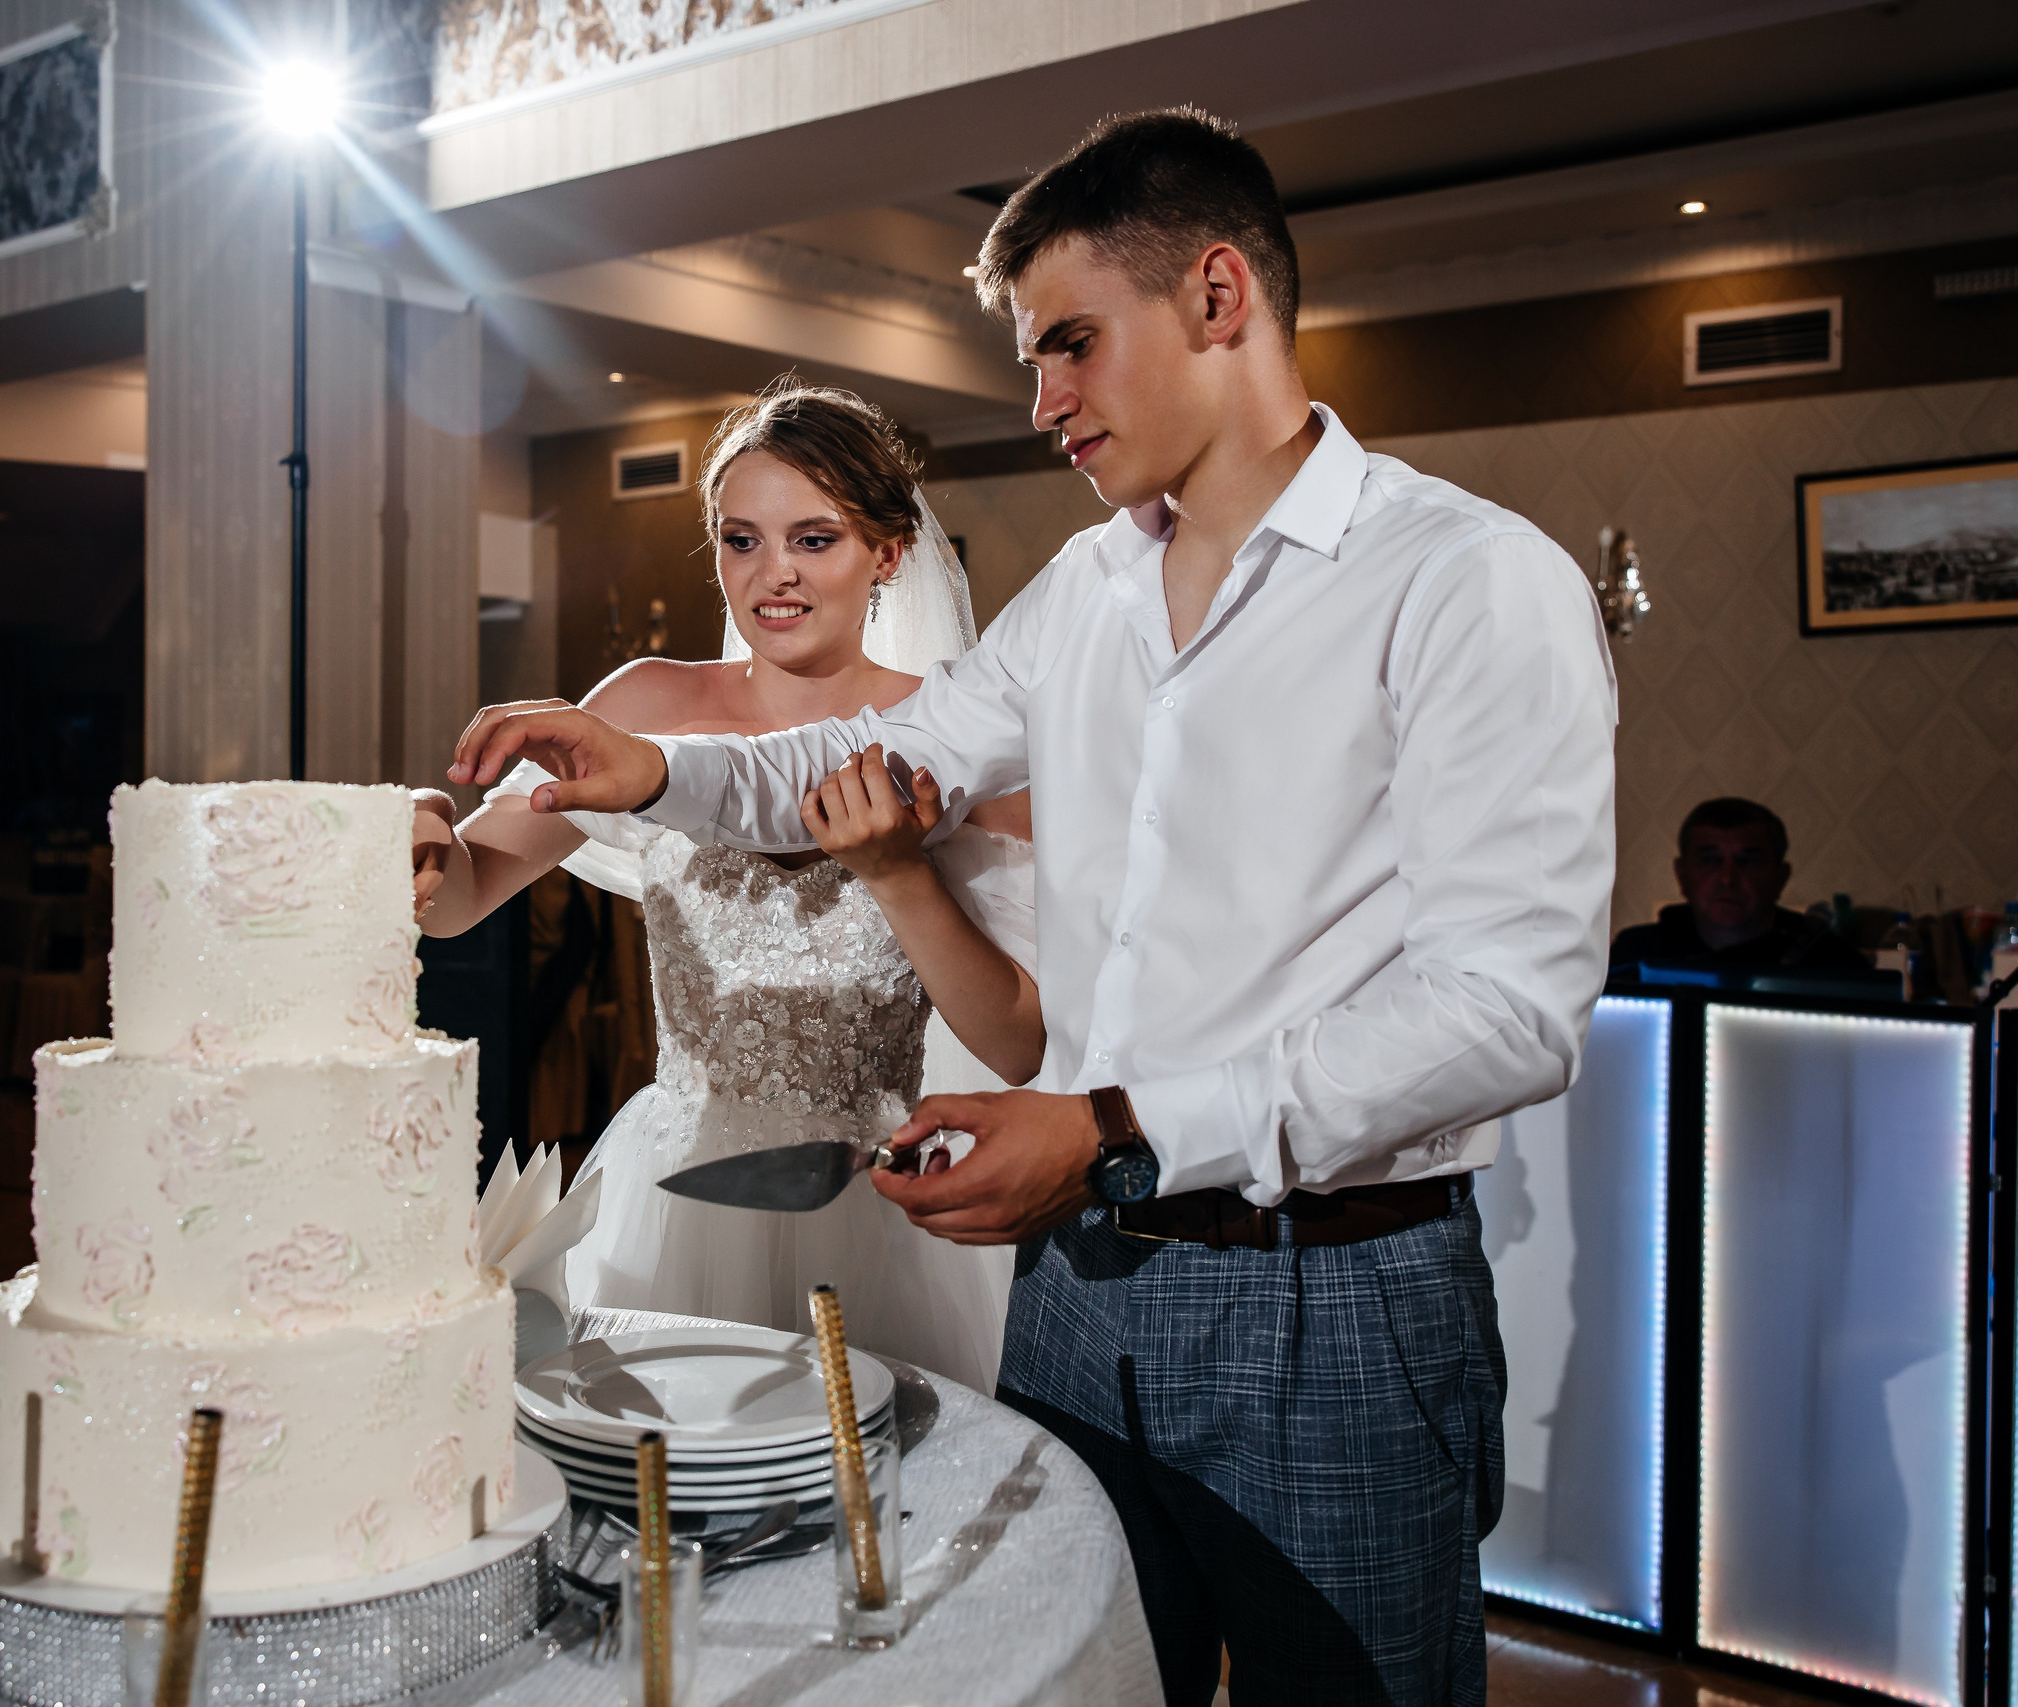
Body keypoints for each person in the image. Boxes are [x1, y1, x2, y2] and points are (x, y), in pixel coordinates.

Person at [446, 108, 1616, 1704]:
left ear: (1218, 296)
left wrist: (1112, 1123)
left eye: (1071, 342)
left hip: (1324, 1298)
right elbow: (868, 766)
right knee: (1065, 1676)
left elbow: (1508, 1009)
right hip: (1074, 1285)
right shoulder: (1086, 592)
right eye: (1033, 355)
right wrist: (647, 767)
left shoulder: (1468, 578)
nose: (1043, 399)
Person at [412, 385, 1038, 1393]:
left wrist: (900, 869)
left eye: (813, 540)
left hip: (870, 1201)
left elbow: (1015, 1042)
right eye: (741, 540)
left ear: (888, 553)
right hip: (678, 1185)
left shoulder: (956, 737)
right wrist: (422, 825)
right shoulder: (649, 703)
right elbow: (459, 901)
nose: (772, 574)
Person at [1609, 797, 1868, 974]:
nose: (1727, 878)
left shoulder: (1832, 963)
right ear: (1681, 874)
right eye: (1710, 861)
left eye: (1748, 862)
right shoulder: (1636, 956)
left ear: (1780, 877)